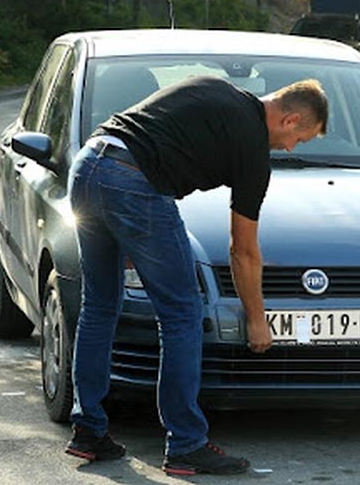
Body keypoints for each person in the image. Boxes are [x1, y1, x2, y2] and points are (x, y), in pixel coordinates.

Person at [64, 76, 328, 476]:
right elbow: (243, 250)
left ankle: (87, 430)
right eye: (300, 139)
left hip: (89, 165)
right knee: (183, 313)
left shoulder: (218, 90)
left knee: (99, 304)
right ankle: (186, 443)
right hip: (134, 182)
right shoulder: (253, 149)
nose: (291, 148)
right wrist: (257, 320)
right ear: (290, 120)